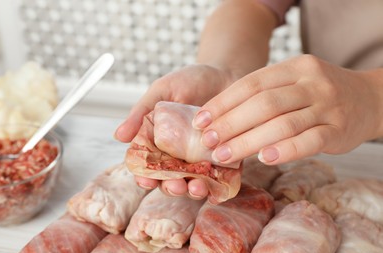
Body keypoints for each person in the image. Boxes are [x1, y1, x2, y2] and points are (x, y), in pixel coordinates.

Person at [114, 0, 383, 200]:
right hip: (327, 126)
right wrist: (227, 69)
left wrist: (372, 99)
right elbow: (251, 5)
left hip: (348, 113)